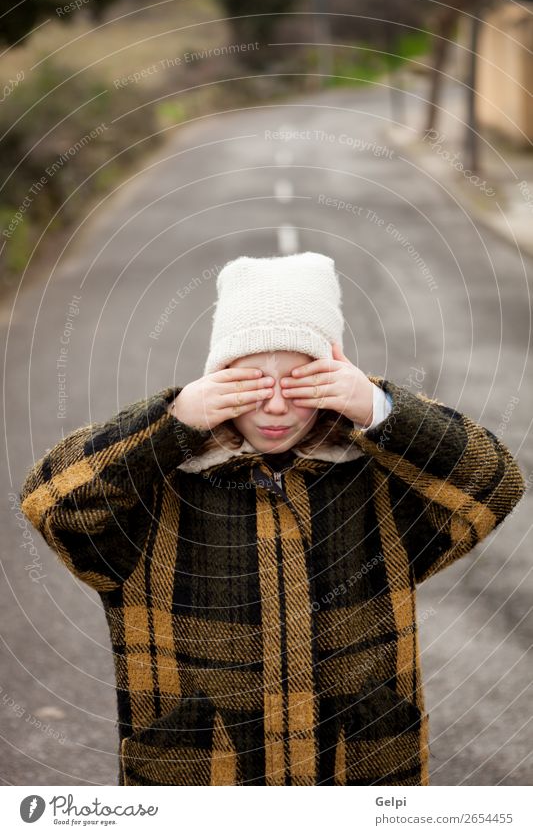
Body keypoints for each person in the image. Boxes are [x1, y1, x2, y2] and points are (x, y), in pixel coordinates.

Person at [18, 251, 525, 787]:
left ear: (336, 380)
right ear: (215, 382)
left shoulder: (376, 483)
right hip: (203, 781)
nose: (277, 406)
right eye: (252, 384)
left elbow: (494, 482)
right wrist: (170, 425)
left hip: (359, 773)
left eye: (304, 382)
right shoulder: (158, 491)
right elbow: (51, 503)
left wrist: (379, 408)